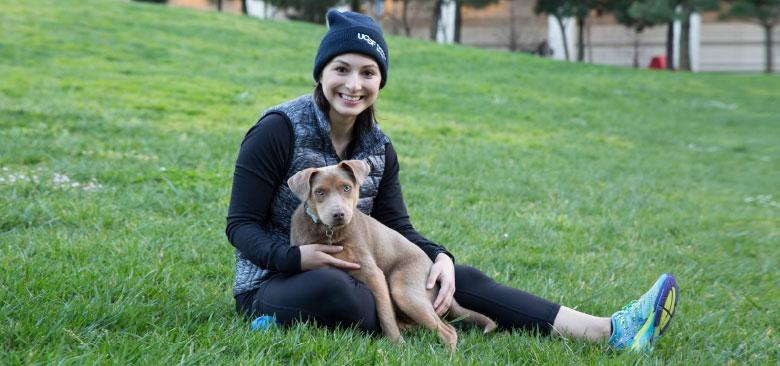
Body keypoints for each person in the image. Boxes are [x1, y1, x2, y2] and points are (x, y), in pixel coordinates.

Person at [226, 10, 678, 352]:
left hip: (364, 271)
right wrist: (295, 257)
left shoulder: (378, 148)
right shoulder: (278, 130)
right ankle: (282, 317)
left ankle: (608, 331)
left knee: (454, 278)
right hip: (275, 280)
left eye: (368, 72)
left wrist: (438, 256)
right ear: (321, 74)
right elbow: (240, 225)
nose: (353, 84)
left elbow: (395, 227)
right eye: (341, 69)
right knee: (339, 290)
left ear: (381, 80)